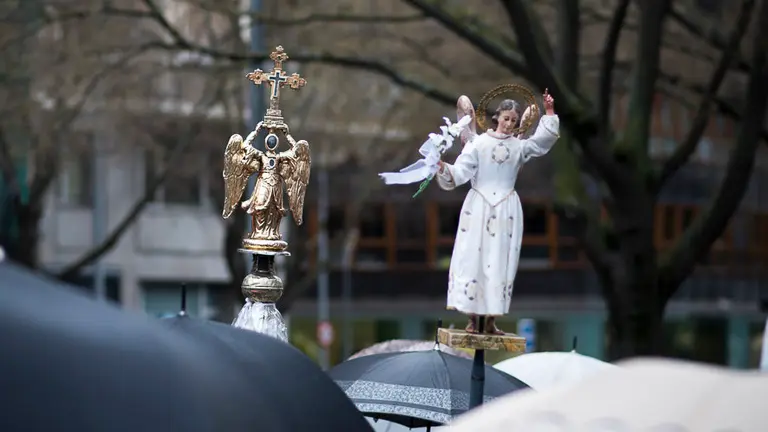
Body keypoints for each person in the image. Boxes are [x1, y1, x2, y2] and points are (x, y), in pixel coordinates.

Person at [436, 89, 559, 334]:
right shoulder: (478, 144)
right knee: (474, 260)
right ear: (497, 118)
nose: (509, 124)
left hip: (506, 209)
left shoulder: (518, 147)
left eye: (513, 120)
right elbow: (460, 172)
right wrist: (442, 167)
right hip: (479, 206)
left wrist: (549, 112)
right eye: (506, 118)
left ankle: (491, 320)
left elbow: (541, 143)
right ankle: (473, 319)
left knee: (499, 262)